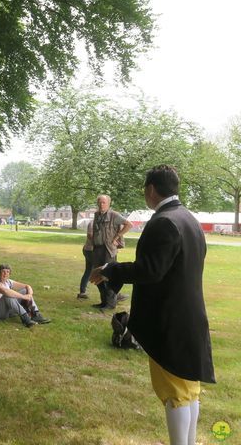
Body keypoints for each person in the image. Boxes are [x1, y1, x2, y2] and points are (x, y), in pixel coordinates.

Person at [90, 165, 215, 445]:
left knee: (175, 393)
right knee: (188, 390)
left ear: (150, 190)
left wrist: (112, 269)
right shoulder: (188, 219)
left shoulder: (164, 222)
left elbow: (150, 270)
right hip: (189, 316)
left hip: (170, 319)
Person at [91, 194, 132, 309]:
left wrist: (117, 237)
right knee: (98, 275)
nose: (101, 204)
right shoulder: (96, 215)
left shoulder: (114, 215)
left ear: (109, 204)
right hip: (97, 249)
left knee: (108, 276)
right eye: (99, 202)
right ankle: (103, 302)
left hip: (108, 250)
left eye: (103, 202)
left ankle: (110, 303)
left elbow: (129, 224)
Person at [77, 219, 93, 299]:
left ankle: (82, 292)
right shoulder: (93, 223)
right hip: (91, 250)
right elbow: (90, 235)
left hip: (88, 249)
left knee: (89, 271)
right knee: (102, 271)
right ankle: (112, 295)